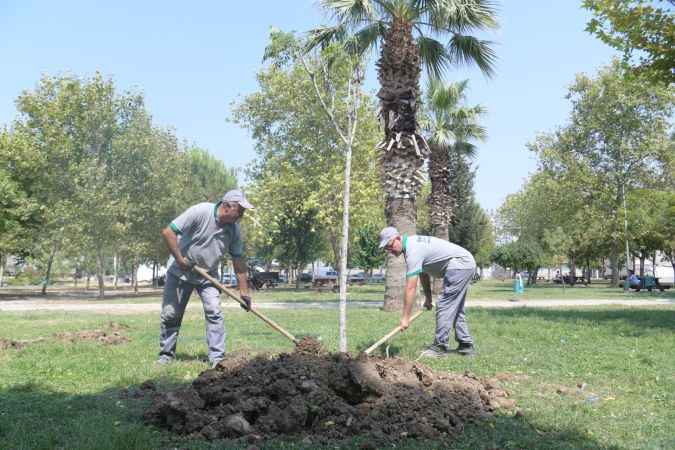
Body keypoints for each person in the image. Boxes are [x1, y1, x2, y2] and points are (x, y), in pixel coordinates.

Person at [157, 189, 254, 368]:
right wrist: (180, 259)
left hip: (208, 275)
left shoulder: (234, 230)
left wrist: (244, 292)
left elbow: (238, 260)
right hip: (180, 271)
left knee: (214, 312)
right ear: (226, 207)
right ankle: (165, 356)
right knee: (171, 314)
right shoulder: (200, 212)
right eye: (240, 211)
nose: (242, 215)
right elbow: (168, 232)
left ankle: (217, 359)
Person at [379, 226, 477, 358]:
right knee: (455, 307)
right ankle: (466, 345)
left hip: (460, 264)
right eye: (386, 249)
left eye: (389, 246)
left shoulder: (413, 250)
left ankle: (439, 347)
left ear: (397, 238)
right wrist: (428, 298)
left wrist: (405, 318)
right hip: (465, 263)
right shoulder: (412, 245)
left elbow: (410, 287)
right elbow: (423, 275)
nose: (389, 251)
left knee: (444, 304)